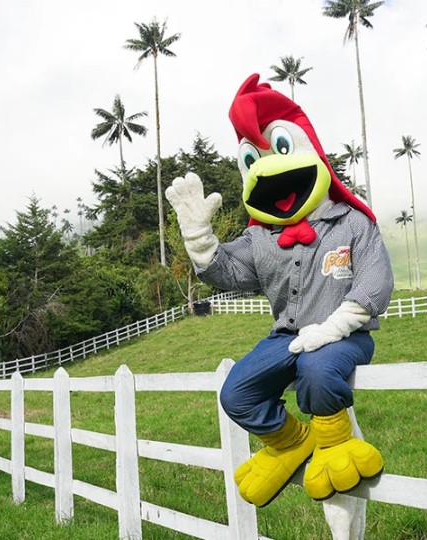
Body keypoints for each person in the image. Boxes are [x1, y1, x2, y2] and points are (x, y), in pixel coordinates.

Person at [164, 73, 393, 507]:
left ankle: (336, 442)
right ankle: (292, 442)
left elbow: (375, 281)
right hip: (285, 337)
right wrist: (198, 238)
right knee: (236, 393)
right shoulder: (260, 238)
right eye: (253, 161)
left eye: (281, 149)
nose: (267, 173)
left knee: (318, 369)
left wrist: (335, 326)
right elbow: (227, 272)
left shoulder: (352, 223)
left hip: (344, 337)